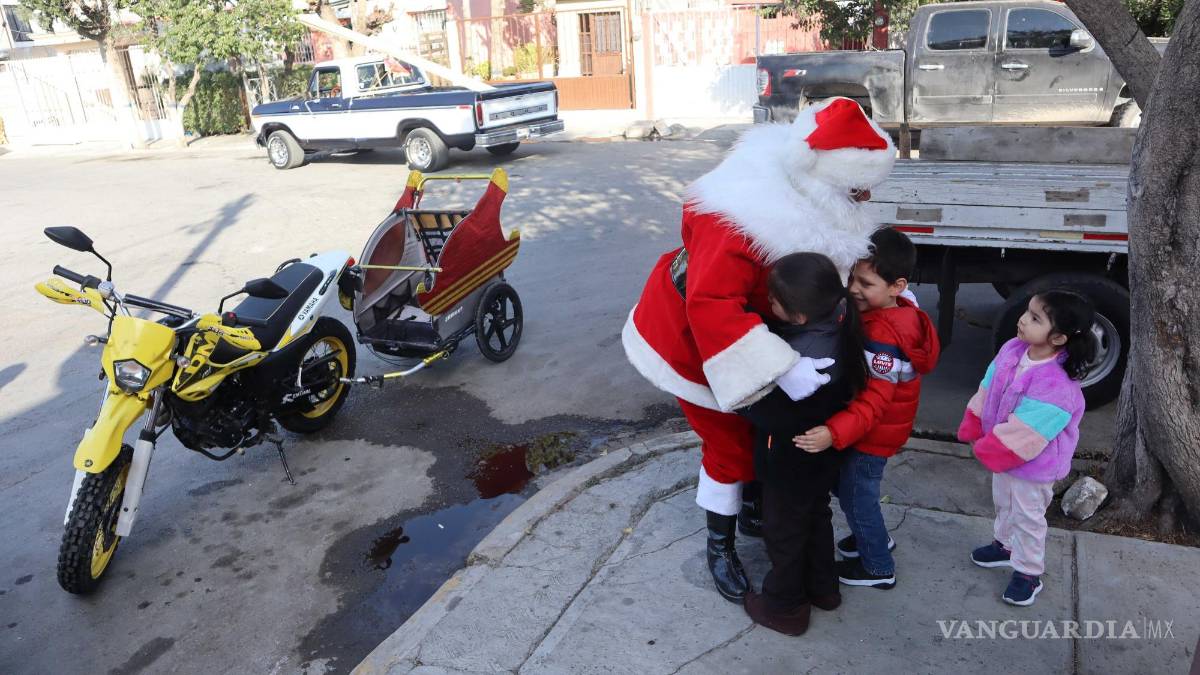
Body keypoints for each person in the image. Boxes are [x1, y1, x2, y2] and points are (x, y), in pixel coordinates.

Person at [622, 97, 897, 603]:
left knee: (757, 434)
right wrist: (781, 368)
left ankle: (752, 506)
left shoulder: (810, 191)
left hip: (760, 333)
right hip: (693, 341)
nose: (865, 195)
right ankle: (718, 544)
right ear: (823, 177)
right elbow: (709, 305)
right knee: (727, 446)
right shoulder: (736, 219)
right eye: (857, 186)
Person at [794, 227, 940, 590]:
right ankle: (872, 537)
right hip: (878, 428)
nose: (854, 289)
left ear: (897, 286)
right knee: (852, 491)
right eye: (852, 278)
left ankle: (878, 566)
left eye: (865, 283)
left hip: (872, 433)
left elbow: (876, 398)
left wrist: (834, 432)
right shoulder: (898, 312)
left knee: (858, 499)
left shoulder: (883, 337)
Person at [737, 252, 869, 636]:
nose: (769, 304)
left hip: (789, 462)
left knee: (784, 532)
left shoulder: (803, 362)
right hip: (822, 460)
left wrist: (740, 398)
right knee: (816, 518)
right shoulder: (841, 319)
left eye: (774, 300)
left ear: (797, 318)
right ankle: (824, 589)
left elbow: (772, 414)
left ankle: (784, 607)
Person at [958, 290, 1094, 606]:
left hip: (1033, 466)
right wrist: (975, 420)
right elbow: (988, 386)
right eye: (1026, 311)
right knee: (1004, 502)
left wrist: (988, 448)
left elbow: (1027, 433)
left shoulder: (1057, 384)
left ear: (1058, 337)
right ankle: (1004, 546)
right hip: (1004, 454)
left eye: (1035, 318)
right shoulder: (1013, 349)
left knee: (1028, 517)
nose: (1023, 320)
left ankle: (1028, 573)